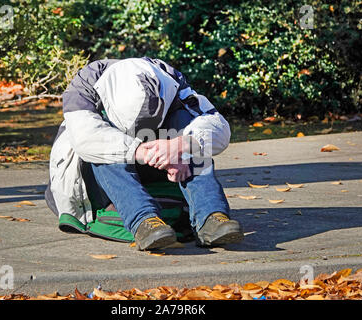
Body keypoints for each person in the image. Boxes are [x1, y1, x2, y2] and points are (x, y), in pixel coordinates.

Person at [45, 57, 244, 250]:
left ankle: (210, 217)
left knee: (191, 126)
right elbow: (85, 139)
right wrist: (146, 153)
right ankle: (143, 221)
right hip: (101, 180)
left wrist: (179, 146)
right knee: (100, 147)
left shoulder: (168, 78)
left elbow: (219, 128)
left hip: (160, 162)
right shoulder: (83, 87)